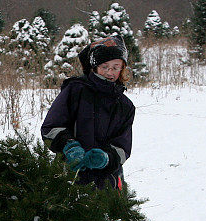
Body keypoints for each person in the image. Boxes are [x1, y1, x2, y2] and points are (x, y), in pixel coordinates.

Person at [41, 36, 135, 190]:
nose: (110, 72)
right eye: (105, 66)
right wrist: (69, 146)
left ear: (122, 68)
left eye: (116, 66)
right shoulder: (75, 90)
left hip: (108, 182)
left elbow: (122, 148)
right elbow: (51, 128)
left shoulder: (125, 106)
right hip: (70, 175)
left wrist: (105, 158)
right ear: (95, 67)